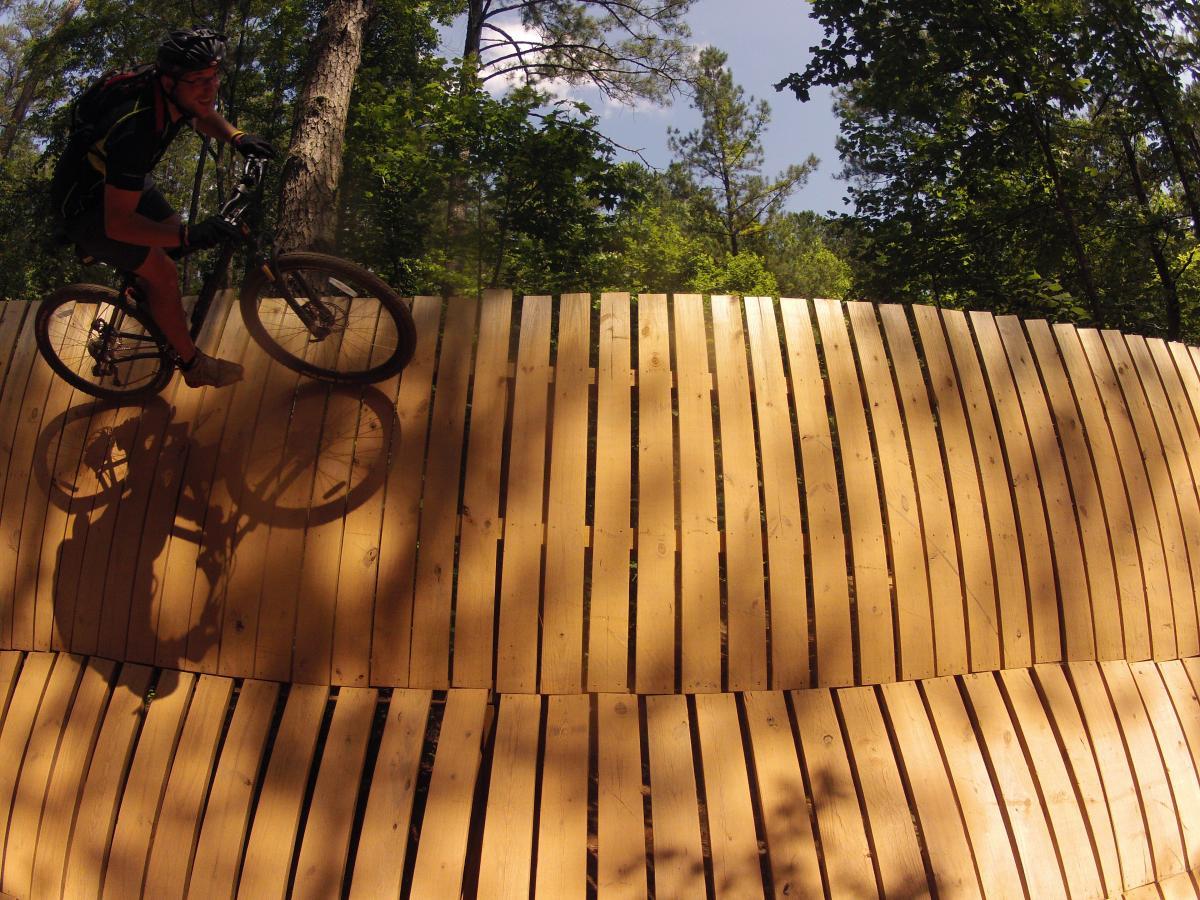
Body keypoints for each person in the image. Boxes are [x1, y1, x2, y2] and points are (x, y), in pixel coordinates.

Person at [51, 27, 276, 388]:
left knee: (172, 231)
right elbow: (119, 223)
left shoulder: (172, 91)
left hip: (122, 182)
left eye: (214, 77)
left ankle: (143, 296)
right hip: (89, 210)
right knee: (166, 270)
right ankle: (193, 365)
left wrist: (237, 137)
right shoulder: (136, 128)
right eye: (199, 80)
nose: (210, 88)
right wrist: (191, 233)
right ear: (171, 81)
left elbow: (198, 113)